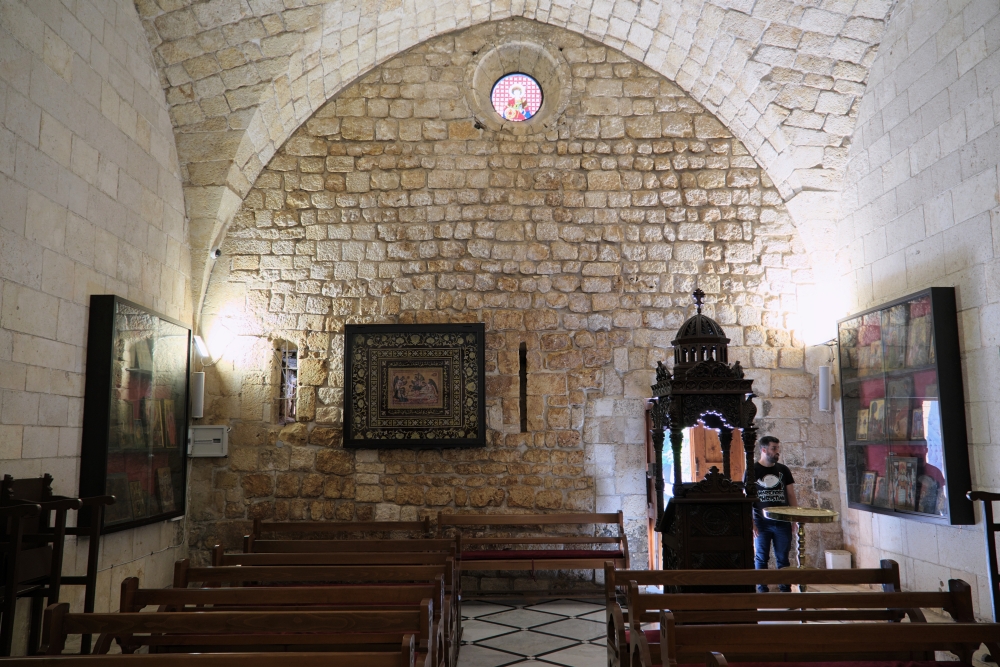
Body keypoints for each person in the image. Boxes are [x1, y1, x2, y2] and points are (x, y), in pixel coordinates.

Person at [745, 435, 797, 592]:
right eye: (774, 449)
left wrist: (795, 518)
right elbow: (746, 497)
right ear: (763, 450)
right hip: (761, 522)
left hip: (782, 520)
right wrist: (751, 522)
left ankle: (785, 589)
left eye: (778, 449)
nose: (777, 452)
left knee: (783, 558)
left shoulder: (783, 470)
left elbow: (791, 495)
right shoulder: (752, 471)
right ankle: (762, 589)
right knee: (761, 557)